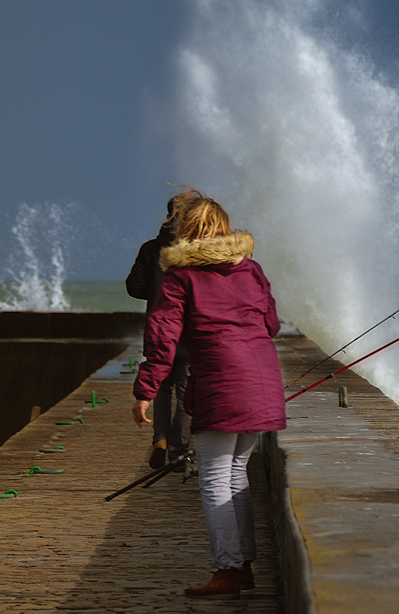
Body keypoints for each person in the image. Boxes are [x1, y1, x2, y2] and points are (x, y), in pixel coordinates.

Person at [131, 190, 285, 600]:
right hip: (264, 382)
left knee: (215, 478)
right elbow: (271, 324)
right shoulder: (250, 270)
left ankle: (227, 570)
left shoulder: (181, 275)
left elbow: (162, 338)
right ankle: (244, 565)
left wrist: (145, 390)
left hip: (222, 381)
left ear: (187, 230)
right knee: (236, 475)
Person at [125, 198, 191, 469]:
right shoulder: (194, 252)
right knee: (185, 391)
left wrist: (155, 293)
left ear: (166, 214)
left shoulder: (150, 249)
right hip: (187, 332)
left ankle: (160, 439)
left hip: (157, 327)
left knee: (162, 387)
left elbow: (134, 287)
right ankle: (179, 450)